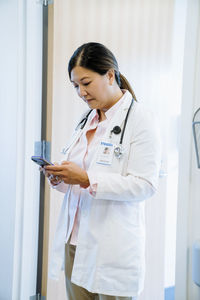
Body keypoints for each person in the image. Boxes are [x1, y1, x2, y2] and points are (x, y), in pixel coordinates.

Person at [43, 42, 161, 300]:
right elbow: (75, 179)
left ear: (109, 74)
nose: (81, 93)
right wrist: (59, 178)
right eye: (75, 86)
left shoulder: (141, 119)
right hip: (74, 242)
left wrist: (86, 179)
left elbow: (145, 184)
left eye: (86, 83)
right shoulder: (87, 120)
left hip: (112, 248)